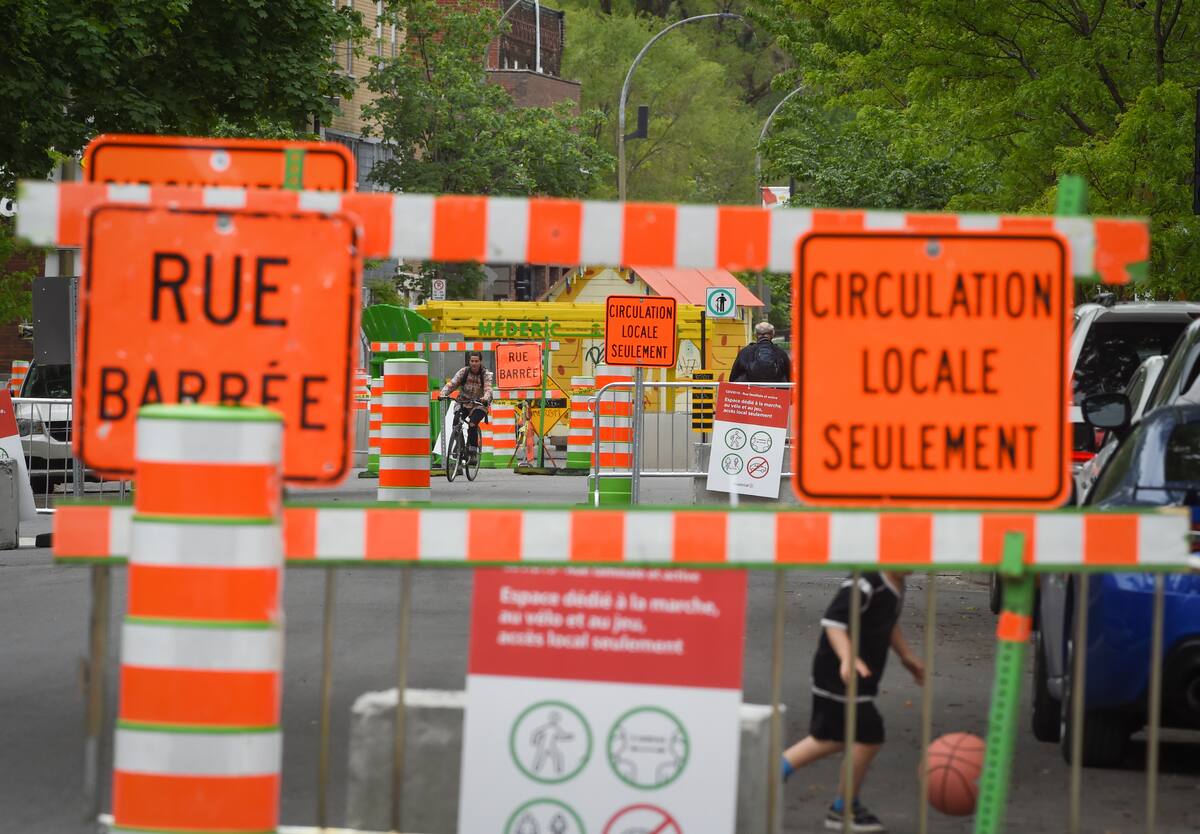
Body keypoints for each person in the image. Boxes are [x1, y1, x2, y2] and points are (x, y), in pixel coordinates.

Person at [781, 571, 924, 833]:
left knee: (834, 737)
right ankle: (843, 807)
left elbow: (888, 621)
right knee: (869, 734)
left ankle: (773, 773)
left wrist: (906, 655)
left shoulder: (896, 583)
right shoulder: (866, 581)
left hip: (858, 677)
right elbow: (834, 622)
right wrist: (848, 657)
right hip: (839, 675)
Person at [440, 351, 493, 457]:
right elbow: (452, 384)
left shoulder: (485, 374)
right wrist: (443, 393)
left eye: (476, 361)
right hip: (463, 402)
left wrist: (485, 398)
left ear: (480, 362)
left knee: (472, 424)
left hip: (479, 404)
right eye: (472, 361)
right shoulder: (463, 372)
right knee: (456, 423)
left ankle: (472, 452)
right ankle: (460, 447)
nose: (474, 363)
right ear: (469, 361)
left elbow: (488, 389)